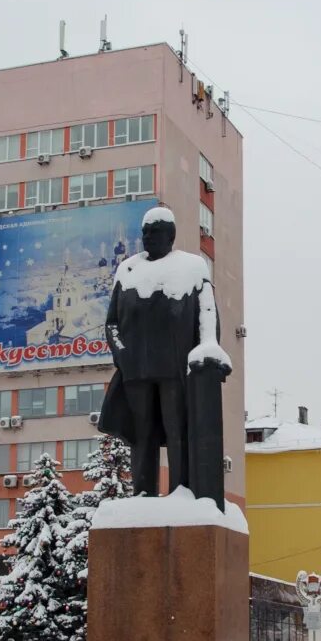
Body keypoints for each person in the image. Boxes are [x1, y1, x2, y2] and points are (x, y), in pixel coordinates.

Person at [98, 206, 232, 506]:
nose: (148, 237)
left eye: (154, 231)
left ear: (170, 235)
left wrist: (208, 347)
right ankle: (142, 494)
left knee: (177, 431)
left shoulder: (192, 267)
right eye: (145, 232)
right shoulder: (128, 270)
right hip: (136, 369)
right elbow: (112, 323)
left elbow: (207, 314)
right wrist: (121, 354)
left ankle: (180, 492)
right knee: (141, 434)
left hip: (175, 367)